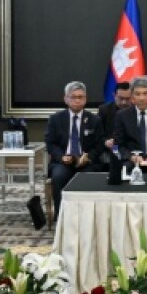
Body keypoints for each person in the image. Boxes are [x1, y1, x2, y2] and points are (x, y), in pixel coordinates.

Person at [44, 81, 103, 211]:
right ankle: (61, 215)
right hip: (62, 162)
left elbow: (99, 145)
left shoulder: (94, 120)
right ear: (66, 99)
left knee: (89, 178)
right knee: (59, 176)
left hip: (86, 162)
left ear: (85, 99)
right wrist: (61, 157)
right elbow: (50, 143)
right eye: (73, 97)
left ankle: (88, 213)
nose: (77, 100)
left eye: (80, 97)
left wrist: (88, 157)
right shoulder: (55, 119)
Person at [96, 80, 132, 166]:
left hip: (131, 149)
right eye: (120, 98)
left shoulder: (137, 110)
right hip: (111, 149)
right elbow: (97, 134)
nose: (124, 102)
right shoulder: (104, 110)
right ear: (114, 95)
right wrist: (106, 142)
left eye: (127, 99)